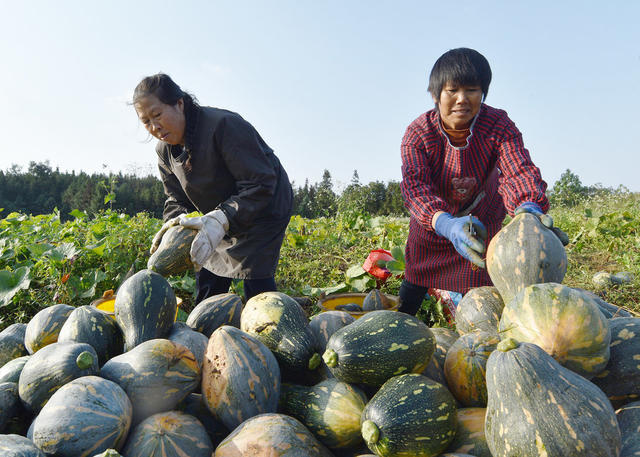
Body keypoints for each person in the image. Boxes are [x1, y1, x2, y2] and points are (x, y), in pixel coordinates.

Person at [398, 47, 566, 315]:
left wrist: (529, 207)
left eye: (472, 90)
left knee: (479, 291)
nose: (462, 99)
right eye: (452, 90)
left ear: (483, 93)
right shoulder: (418, 133)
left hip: (482, 223)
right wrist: (444, 223)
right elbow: (415, 187)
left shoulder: (498, 124)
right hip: (433, 226)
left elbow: (518, 167)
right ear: (435, 94)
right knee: (416, 278)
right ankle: (401, 319)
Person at [133, 73, 293, 303]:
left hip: (262, 207)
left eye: (157, 115)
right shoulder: (164, 151)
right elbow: (175, 199)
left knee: (257, 284)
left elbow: (259, 183)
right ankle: (205, 330)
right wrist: (175, 223)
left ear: (179, 104)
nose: (155, 127)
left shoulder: (223, 125)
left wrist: (223, 218)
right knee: (208, 279)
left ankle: (267, 332)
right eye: (146, 121)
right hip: (216, 216)